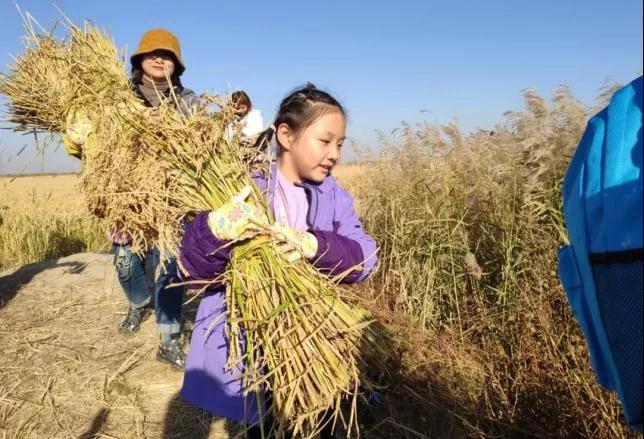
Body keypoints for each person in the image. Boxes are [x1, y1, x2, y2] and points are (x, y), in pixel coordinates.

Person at [178, 83, 378, 437]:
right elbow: (194, 271)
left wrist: (316, 246)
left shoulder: (335, 197)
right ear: (285, 135)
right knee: (264, 428)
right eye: (325, 140)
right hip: (253, 350)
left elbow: (366, 256)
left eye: (340, 144)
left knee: (320, 423)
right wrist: (216, 228)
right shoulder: (243, 189)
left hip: (314, 344)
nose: (334, 154)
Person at [63, 29, 201, 370]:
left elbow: (203, 144)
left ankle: (168, 337)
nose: (159, 58)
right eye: (152, 53)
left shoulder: (188, 102)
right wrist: (78, 139)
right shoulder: (112, 99)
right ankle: (138, 302)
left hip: (170, 200)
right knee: (126, 262)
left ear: (177, 65)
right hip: (123, 199)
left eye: (167, 55)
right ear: (138, 60)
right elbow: (89, 151)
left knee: (171, 267)